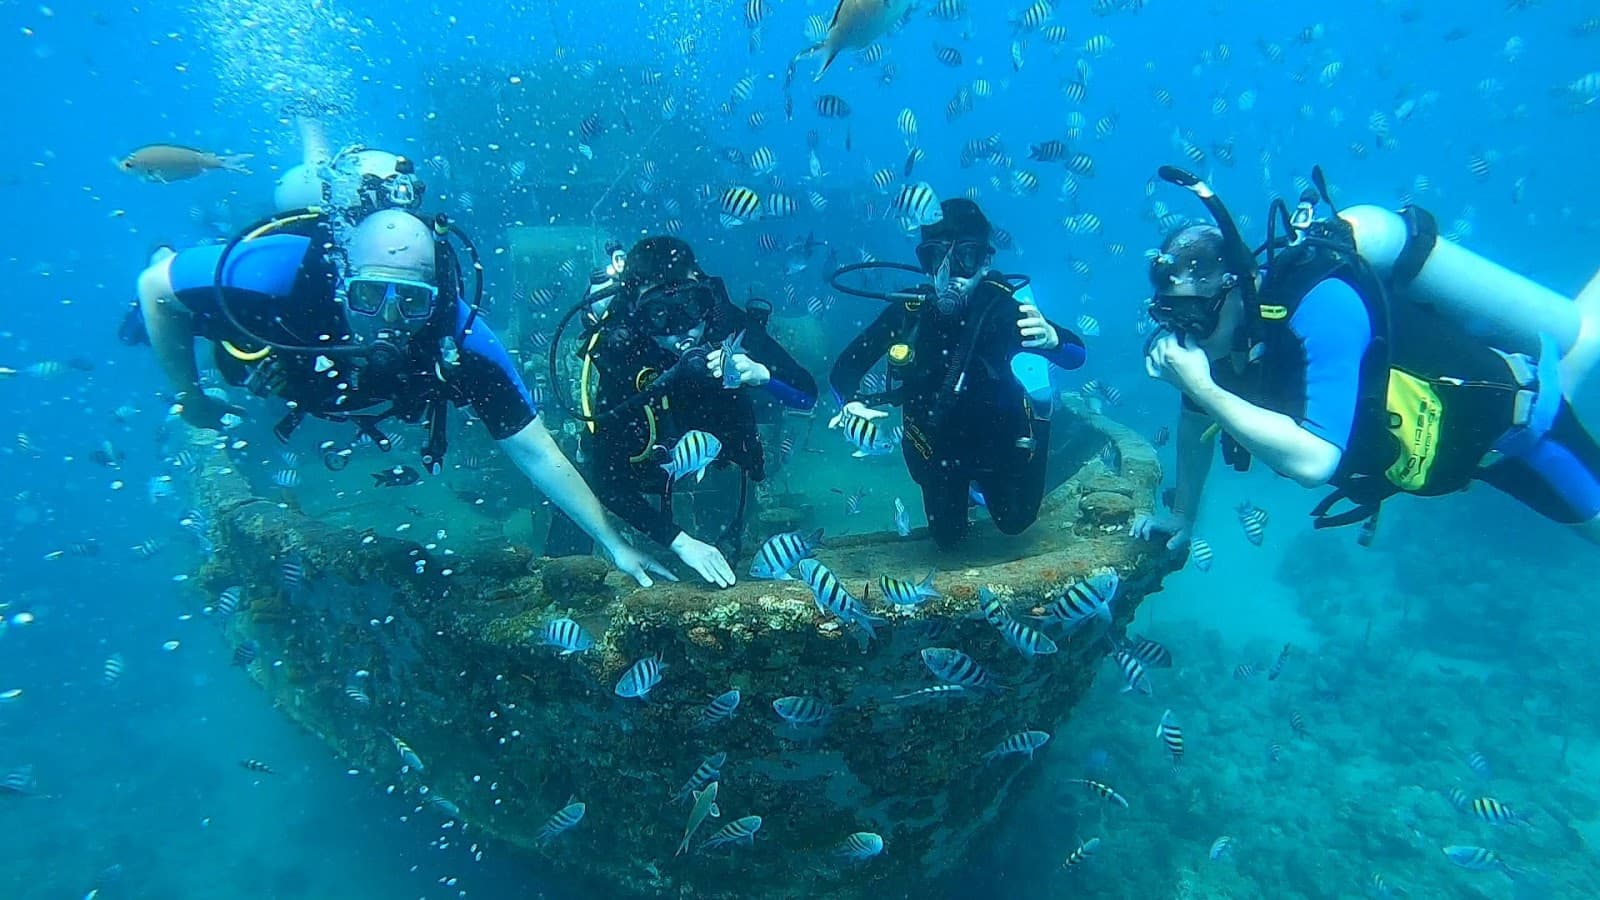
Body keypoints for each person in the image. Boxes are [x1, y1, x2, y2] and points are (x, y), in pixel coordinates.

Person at [133, 195, 673, 587]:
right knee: (228, 357)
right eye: (368, 295)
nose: (388, 320)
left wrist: (613, 542)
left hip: (337, 382)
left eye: (411, 302)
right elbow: (155, 287)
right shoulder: (290, 271)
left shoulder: (460, 335)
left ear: (433, 296)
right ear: (343, 280)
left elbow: (536, 450)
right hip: (276, 353)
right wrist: (191, 394)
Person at [1133, 170, 1600, 548]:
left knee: (1569, 368)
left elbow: (1314, 463)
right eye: (1170, 315)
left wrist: (1200, 385)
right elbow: (1196, 423)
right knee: (1578, 349)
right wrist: (1182, 517)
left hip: (1523, 434)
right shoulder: (1226, 339)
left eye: (1194, 313)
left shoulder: (1323, 304)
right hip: (1461, 452)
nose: (1182, 332)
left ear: (1239, 287)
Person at [549, 236, 817, 587]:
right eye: (659, 315)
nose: (682, 331)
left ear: (703, 293)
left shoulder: (727, 325)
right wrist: (679, 541)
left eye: (691, 307)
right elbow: (606, 478)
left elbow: (806, 394)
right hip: (640, 467)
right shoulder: (624, 350)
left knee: (727, 567)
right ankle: (563, 580)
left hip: (718, 466)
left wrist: (762, 374)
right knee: (579, 478)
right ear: (637, 313)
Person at [828, 199, 1087, 548]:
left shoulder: (1003, 310)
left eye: (966, 256)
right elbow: (844, 370)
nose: (951, 272)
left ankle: (1043, 415)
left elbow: (1076, 355)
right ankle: (965, 492)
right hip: (934, 445)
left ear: (986, 260)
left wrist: (1054, 340)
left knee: (1015, 522)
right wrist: (851, 405)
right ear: (926, 260)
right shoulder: (908, 312)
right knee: (948, 541)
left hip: (998, 437)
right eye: (937, 256)